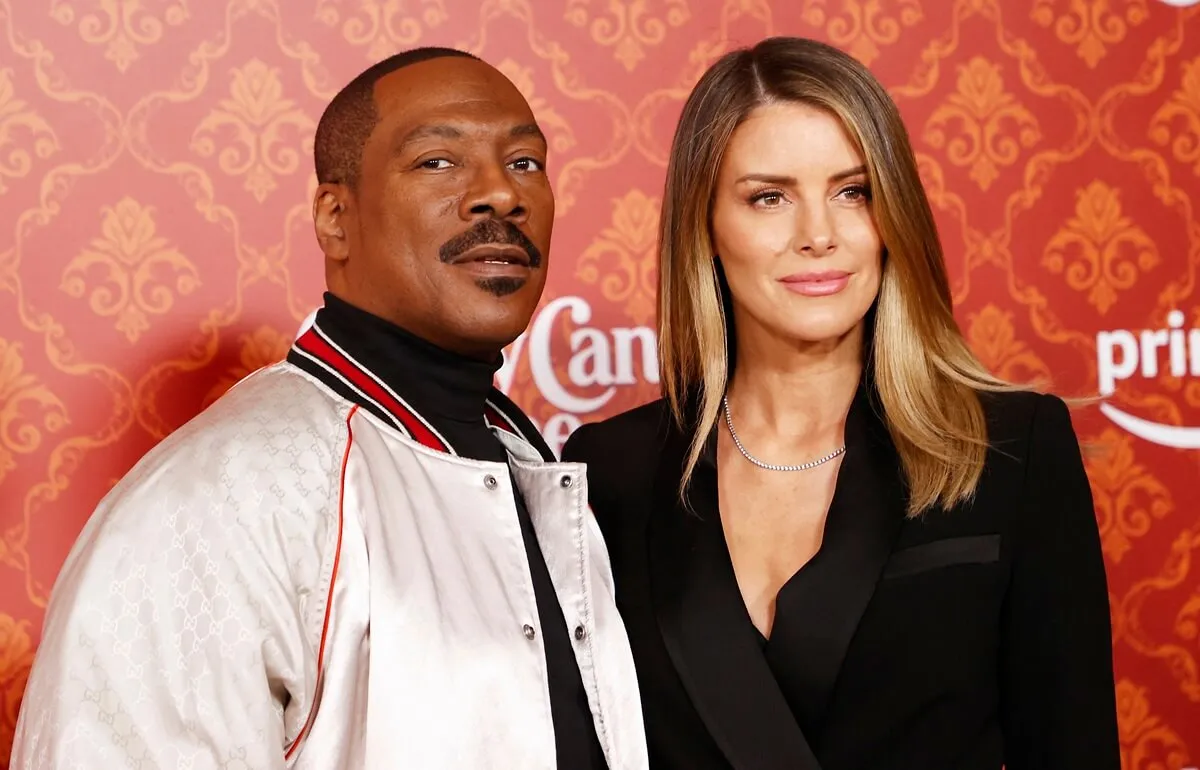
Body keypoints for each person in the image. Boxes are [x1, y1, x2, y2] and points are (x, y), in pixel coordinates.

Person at [12, 47, 647, 770]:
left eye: (525, 162)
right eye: (438, 161)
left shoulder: (530, 463)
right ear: (335, 218)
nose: (501, 194)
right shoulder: (217, 495)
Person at [562, 36, 1119, 770]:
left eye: (852, 192)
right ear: (706, 226)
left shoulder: (1010, 447)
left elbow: (1072, 745)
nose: (818, 235)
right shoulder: (611, 472)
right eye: (769, 198)